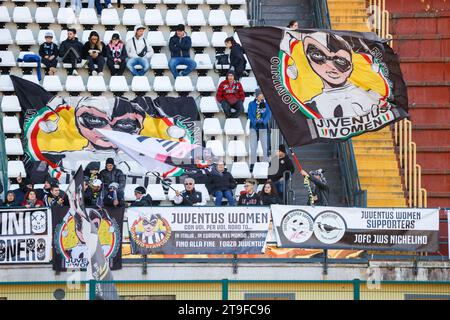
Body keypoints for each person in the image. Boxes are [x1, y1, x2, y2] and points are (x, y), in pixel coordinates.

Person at [248, 88, 271, 167]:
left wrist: (264, 121)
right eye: (261, 95)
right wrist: (254, 121)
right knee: (253, 146)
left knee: (265, 146)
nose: (262, 96)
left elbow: (268, 114)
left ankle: (266, 161)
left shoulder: (266, 103)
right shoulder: (251, 104)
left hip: (263, 126)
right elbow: (250, 114)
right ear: (257, 96)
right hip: (253, 127)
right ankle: (253, 163)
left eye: (263, 95)